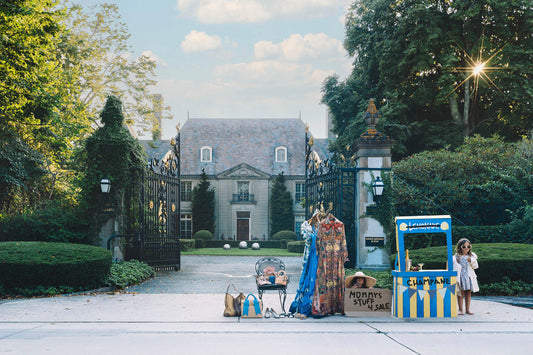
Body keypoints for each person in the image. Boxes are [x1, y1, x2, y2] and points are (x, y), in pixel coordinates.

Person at [453, 238, 479, 315]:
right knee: (460, 293)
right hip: (461, 276)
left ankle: (467, 309)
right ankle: (460, 309)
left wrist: (471, 261)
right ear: (460, 247)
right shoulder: (457, 256)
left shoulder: (472, 256)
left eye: (468, 246)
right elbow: (454, 266)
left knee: (468, 292)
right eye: (464, 247)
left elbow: (475, 266)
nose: (466, 248)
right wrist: (456, 262)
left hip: (469, 276)